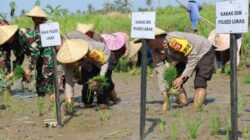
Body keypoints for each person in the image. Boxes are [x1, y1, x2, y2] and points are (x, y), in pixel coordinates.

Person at [144, 27, 215, 111]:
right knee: (173, 80)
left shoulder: (173, 41)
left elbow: (193, 57)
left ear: (157, 37)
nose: (147, 44)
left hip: (203, 52)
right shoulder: (156, 52)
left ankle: (197, 109)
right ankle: (184, 103)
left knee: (200, 81)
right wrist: (166, 99)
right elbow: (160, 74)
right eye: (145, 42)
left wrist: (182, 77)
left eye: (148, 41)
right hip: (185, 58)